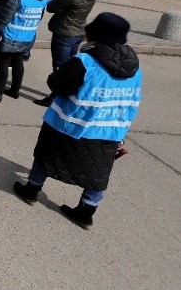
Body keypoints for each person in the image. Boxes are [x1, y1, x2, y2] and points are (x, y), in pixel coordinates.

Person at [13, 13, 141, 229]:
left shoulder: (84, 62)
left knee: (46, 155)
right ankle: (85, 212)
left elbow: (58, 84)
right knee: (98, 172)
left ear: (94, 35)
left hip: (69, 124)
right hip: (110, 130)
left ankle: (32, 190)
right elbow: (132, 98)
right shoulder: (135, 69)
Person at [33, 0, 100, 106]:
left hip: (65, 31)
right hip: (79, 30)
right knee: (70, 66)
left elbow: (51, 6)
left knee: (60, 67)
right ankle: (67, 93)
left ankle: (54, 97)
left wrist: (61, 6)